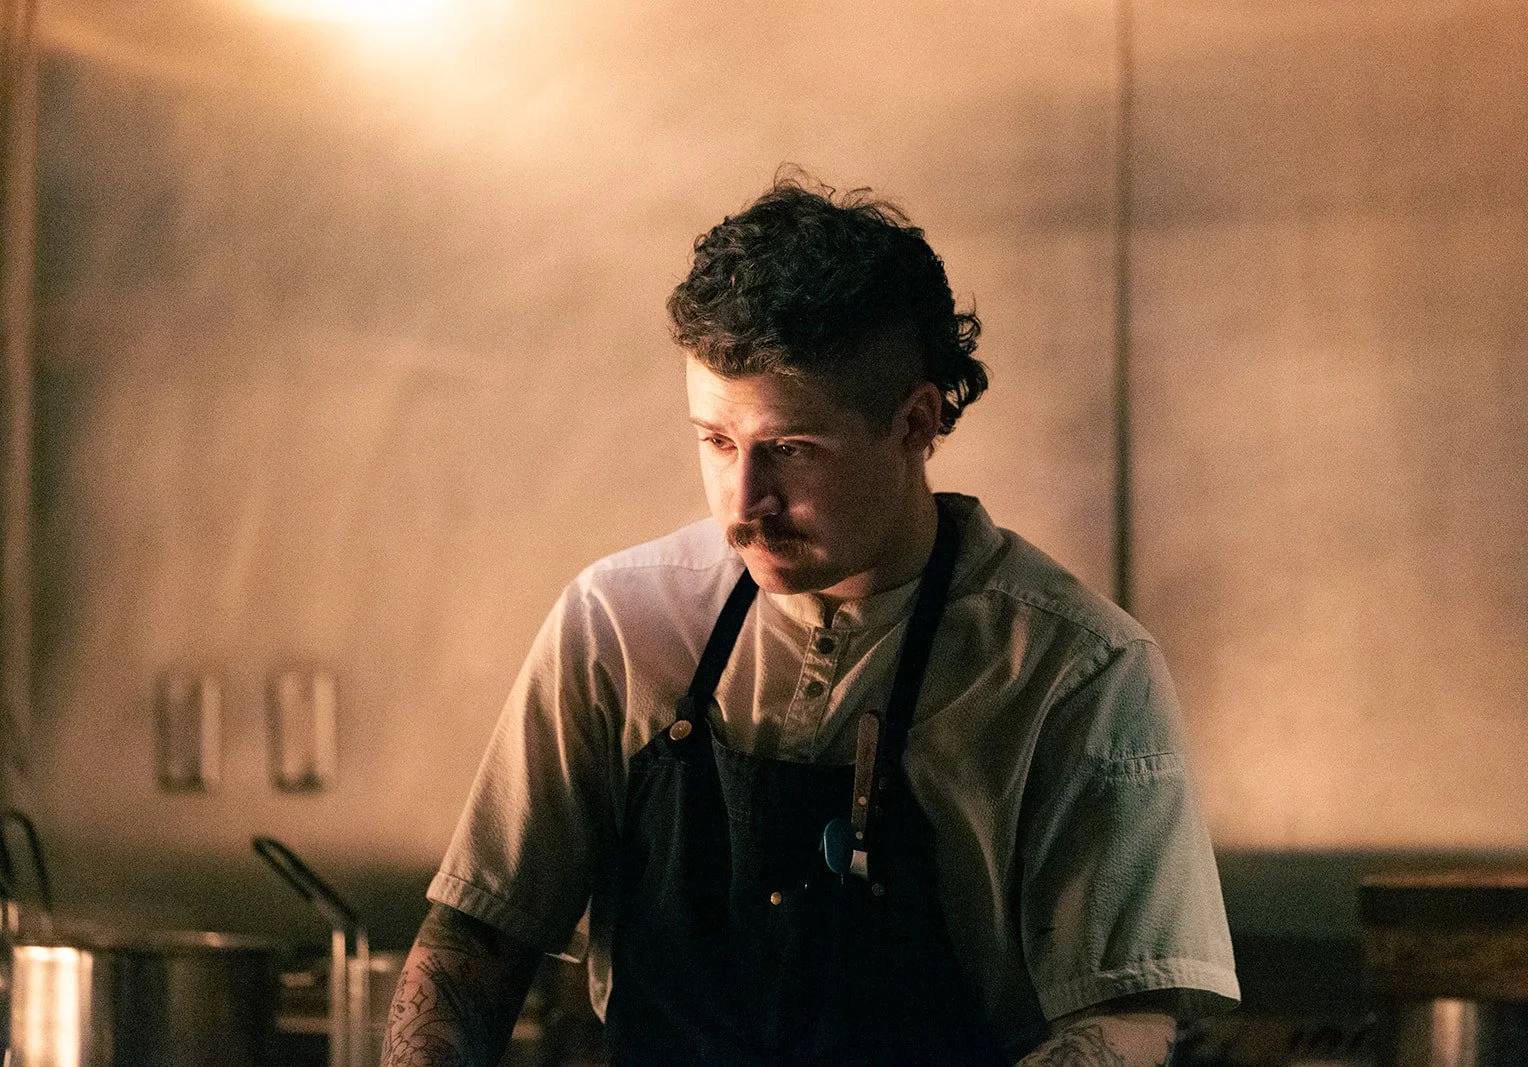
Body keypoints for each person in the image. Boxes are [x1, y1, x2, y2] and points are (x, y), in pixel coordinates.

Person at [380, 176, 1238, 1067]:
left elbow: (1124, 1022)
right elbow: (474, 942)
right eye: (718, 442)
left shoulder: (1075, 672)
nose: (744, 501)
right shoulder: (616, 624)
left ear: (916, 421)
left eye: (790, 449)